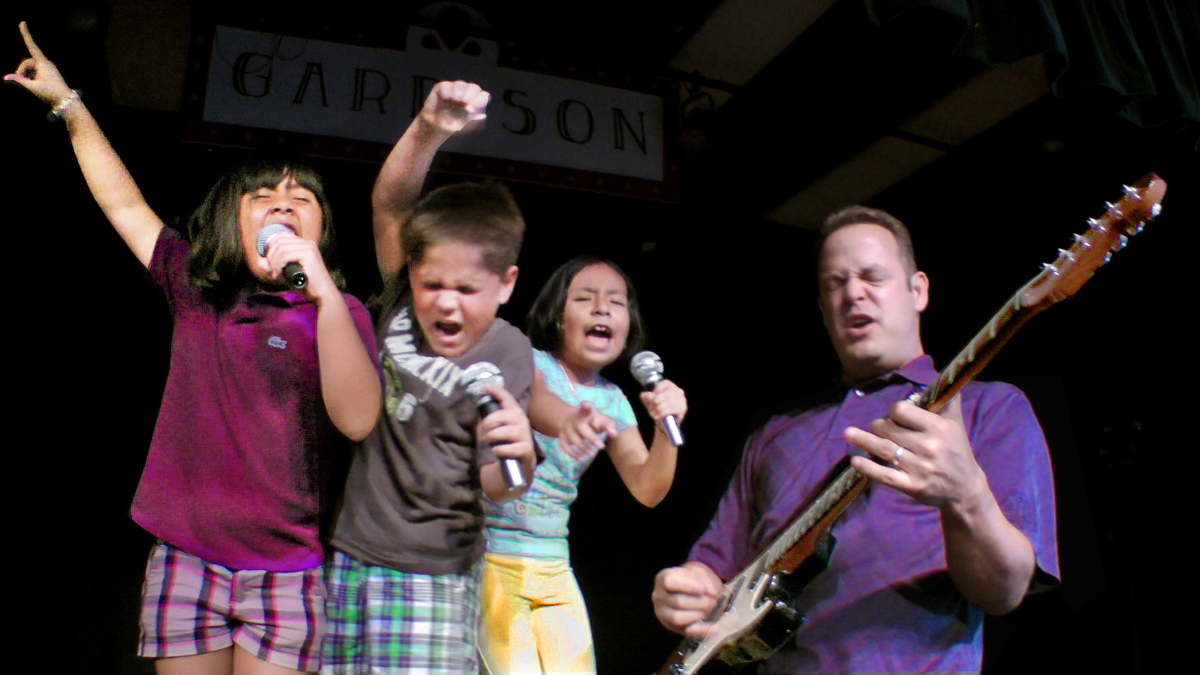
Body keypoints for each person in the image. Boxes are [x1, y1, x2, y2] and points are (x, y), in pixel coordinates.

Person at [6, 21, 383, 675]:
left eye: (301, 198)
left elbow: (357, 420)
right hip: (187, 559)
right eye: (262, 197)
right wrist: (69, 105)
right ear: (231, 221)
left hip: (286, 572)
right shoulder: (196, 286)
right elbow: (125, 205)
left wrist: (321, 289)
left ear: (322, 227)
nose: (282, 205)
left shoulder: (339, 314)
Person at [651, 206, 1059, 673]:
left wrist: (966, 496)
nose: (853, 294)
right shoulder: (774, 435)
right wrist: (687, 590)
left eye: (873, 277)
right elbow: (713, 572)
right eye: (835, 284)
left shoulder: (989, 408)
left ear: (918, 290)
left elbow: (1004, 592)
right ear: (822, 308)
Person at [322, 81, 541, 674]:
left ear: (506, 284)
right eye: (433, 284)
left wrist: (519, 459)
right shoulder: (400, 302)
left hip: (432, 575)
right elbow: (391, 206)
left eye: (467, 289)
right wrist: (428, 128)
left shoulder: (508, 350)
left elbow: (500, 481)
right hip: (350, 557)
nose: (446, 302)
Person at [479, 256, 689, 674]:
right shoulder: (527, 359)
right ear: (558, 317)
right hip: (489, 556)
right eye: (584, 298)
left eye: (616, 302)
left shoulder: (613, 400)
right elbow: (538, 402)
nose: (602, 309)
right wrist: (570, 420)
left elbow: (648, 489)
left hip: (553, 564)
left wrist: (666, 429)